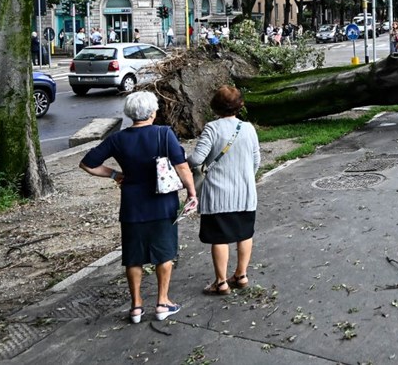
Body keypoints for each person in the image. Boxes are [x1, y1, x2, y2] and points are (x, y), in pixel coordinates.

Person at [79, 92, 197, 324]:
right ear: (153, 112)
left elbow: (87, 163)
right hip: (163, 203)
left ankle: (136, 307)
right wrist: (192, 192)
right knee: (164, 253)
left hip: (132, 205)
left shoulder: (118, 139)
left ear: (129, 114)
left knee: (133, 257)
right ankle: (163, 303)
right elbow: (182, 167)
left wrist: (115, 174)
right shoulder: (164, 134)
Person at [188, 85, 261, 296]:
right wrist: (246, 177)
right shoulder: (248, 128)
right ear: (240, 105)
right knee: (245, 234)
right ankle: (241, 275)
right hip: (245, 193)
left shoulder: (212, 128)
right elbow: (256, 160)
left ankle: (221, 283)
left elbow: (196, 159)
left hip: (218, 195)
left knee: (220, 238)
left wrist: (183, 161)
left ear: (215, 106)